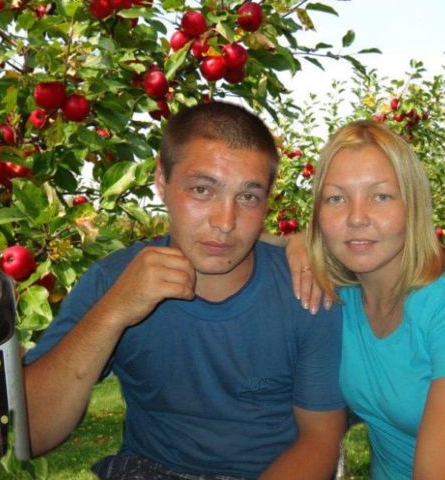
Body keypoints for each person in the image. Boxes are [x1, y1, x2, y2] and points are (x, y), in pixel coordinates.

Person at [23, 101, 347, 480]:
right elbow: (32, 433)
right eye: (202, 190)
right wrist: (112, 313)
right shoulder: (114, 280)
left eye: (248, 197)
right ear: (162, 182)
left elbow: (320, 440)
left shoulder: (305, 288)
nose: (225, 222)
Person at [284, 120, 445, 479]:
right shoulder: (343, 299)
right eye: (336, 198)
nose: (356, 218)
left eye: (381, 196)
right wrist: (293, 243)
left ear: (413, 206)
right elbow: (237, 242)